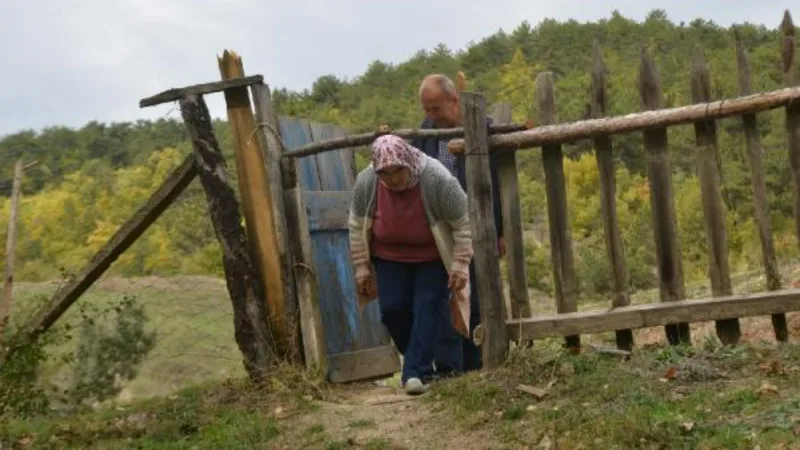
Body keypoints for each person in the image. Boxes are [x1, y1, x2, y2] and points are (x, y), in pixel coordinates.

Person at [348, 134, 474, 395]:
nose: (393, 180)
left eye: (398, 172)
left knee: (427, 307)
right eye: (386, 174)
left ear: (408, 163)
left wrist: (460, 264)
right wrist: (361, 266)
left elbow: (464, 223)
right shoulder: (366, 182)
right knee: (392, 310)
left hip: (432, 258)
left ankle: (415, 373)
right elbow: (357, 225)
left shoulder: (436, 179)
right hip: (389, 257)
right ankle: (418, 358)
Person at [411, 73, 506, 375]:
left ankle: (479, 361)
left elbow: (497, 184)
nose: (430, 116)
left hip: (477, 223)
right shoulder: (425, 133)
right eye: (426, 109)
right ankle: (450, 368)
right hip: (439, 230)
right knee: (443, 294)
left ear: (454, 101)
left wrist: (500, 230)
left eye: (435, 108)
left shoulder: (481, 128)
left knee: (476, 293)